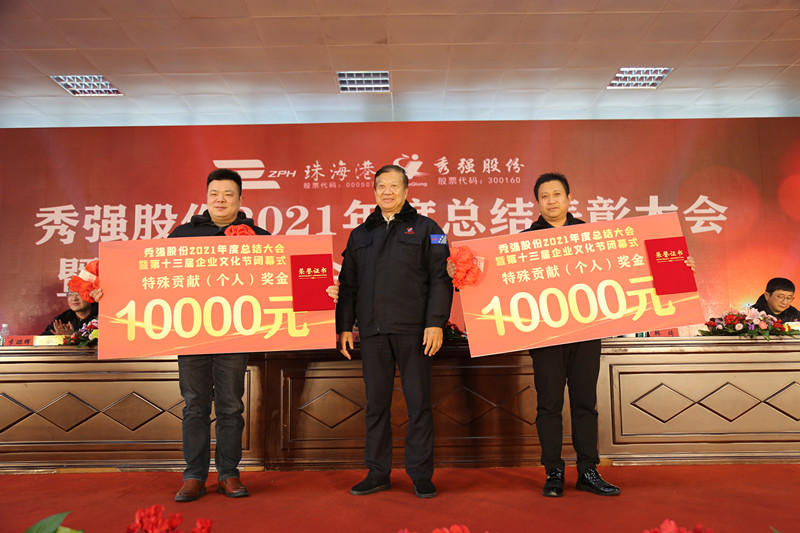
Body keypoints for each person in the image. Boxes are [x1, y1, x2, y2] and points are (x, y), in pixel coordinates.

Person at [93, 168, 338, 502]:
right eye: (214, 194)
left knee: (231, 406)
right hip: (190, 334)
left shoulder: (260, 238)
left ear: (241, 199)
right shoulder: (182, 235)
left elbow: (288, 278)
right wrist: (108, 291)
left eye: (228, 194)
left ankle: (228, 474)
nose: (220, 200)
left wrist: (323, 291)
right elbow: (145, 278)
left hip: (236, 336)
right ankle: (193, 475)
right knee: (194, 405)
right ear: (206, 197)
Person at [336, 164, 453, 499]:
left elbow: (441, 279)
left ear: (406, 190)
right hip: (372, 332)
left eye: (394, 186)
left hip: (415, 332)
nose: (387, 192)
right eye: (381, 186)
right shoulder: (360, 235)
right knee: (376, 405)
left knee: (419, 404)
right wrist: (344, 327)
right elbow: (348, 285)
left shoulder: (429, 229)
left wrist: (435, 322)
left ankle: (421, 474)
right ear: (374, 191)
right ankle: (377, 472)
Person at [523, 172, 621, 498]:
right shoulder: (522, 243)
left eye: (557, 194)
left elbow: (624, 269)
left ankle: (588, 471)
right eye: (544, 196)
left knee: (585, 403)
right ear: (538, 203)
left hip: (586, 332)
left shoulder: (591, 236)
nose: (551, 201)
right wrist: (461, 273)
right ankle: (553, 471)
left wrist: (677, 265)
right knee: (548, 405)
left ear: (568, 198)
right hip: (545, 337)